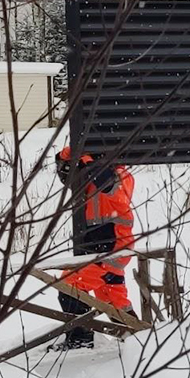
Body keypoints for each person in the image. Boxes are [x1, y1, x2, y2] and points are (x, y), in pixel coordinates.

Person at [55, 147, 135, 349]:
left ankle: (81, 340)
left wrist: (85, 156)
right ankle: (139, 338)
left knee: (69, 287)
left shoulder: (122, 176)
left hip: (112, 249)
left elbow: (105, 182)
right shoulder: (92, 176)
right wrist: (69, 153)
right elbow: (67, 176)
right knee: (115, 302)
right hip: (100, 248)